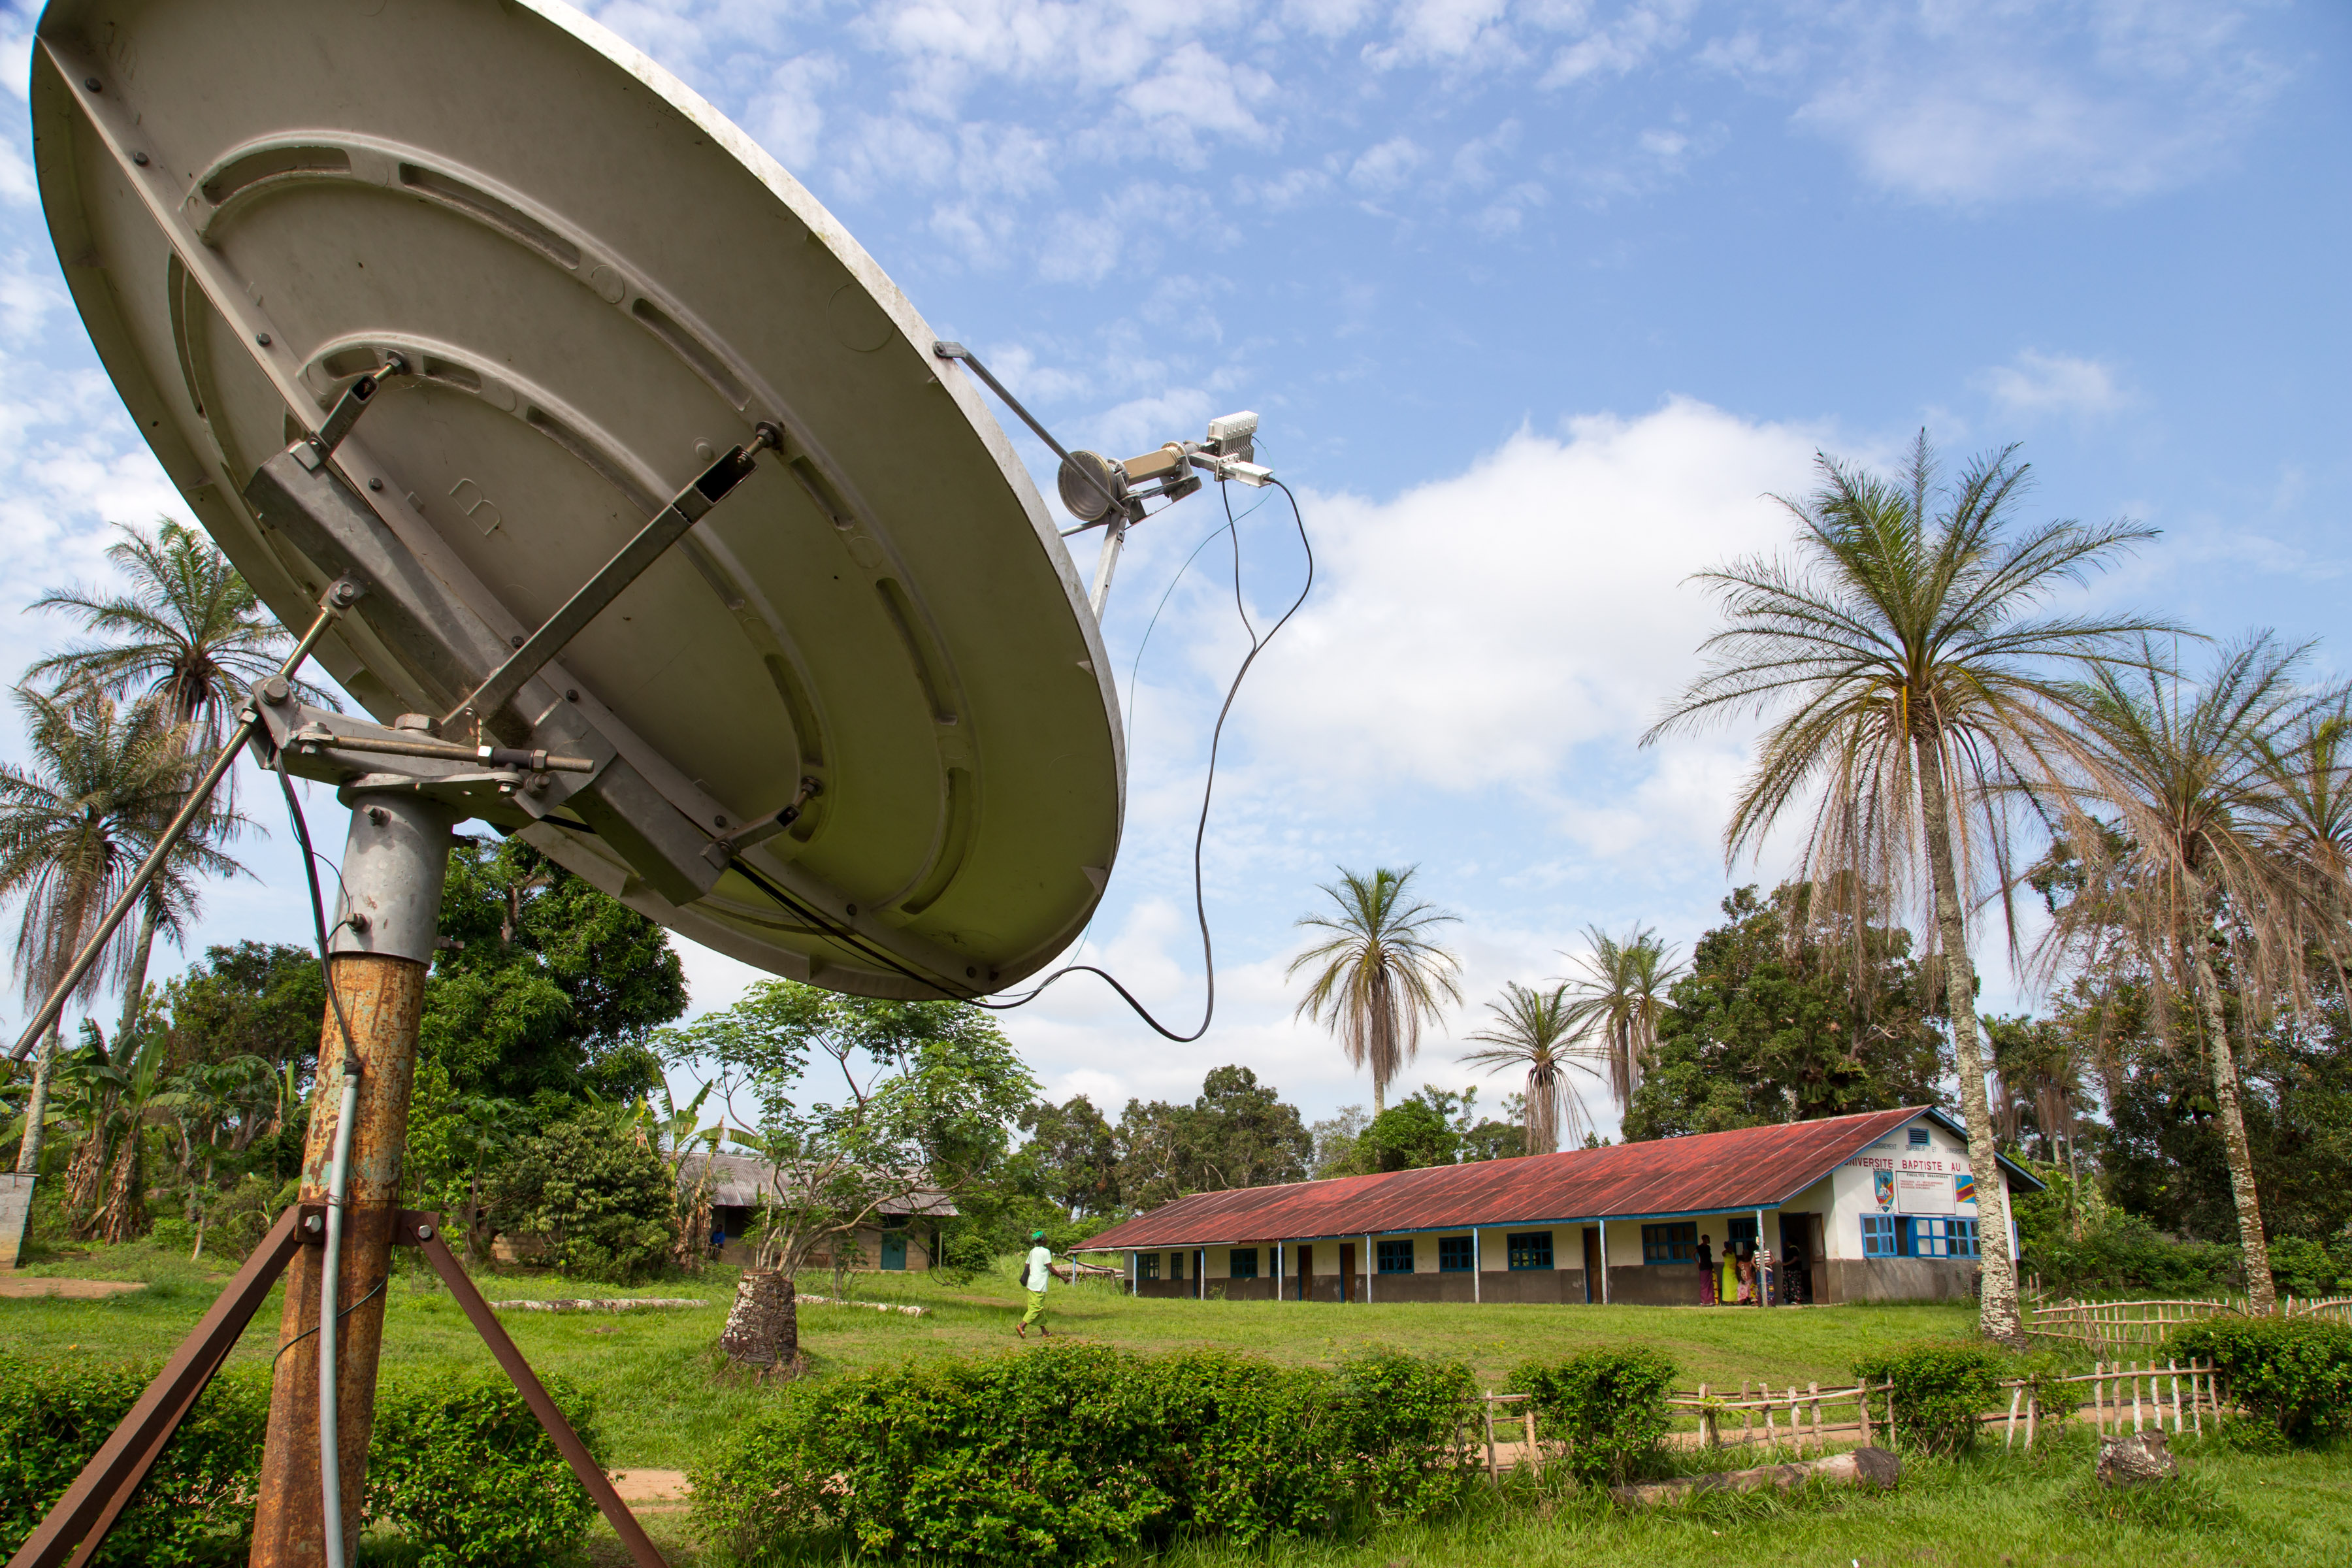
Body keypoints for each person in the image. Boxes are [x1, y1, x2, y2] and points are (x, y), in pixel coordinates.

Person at [1016, 1229, 1054, 1338]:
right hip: (1039, 1285)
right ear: (1043, 1240)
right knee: (1036, 1308)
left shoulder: (1033, 1251)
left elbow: (1027, 1264)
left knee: (1038, 1308)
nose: (1047, 1239)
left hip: (1031, 1284)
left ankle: (1044, 1332)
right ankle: (1022, 1326)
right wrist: (1064, 1278)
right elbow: (1050, 1268)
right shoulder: (1046, 1252)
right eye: (1046, 1237)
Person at [1695, 1232, 1716, 1305]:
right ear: (1704, 1239)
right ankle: (1703, 1301)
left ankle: (1711, 1301)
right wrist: (1698, 1263)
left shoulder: (1708, 1247)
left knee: (1710, 1284)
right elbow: (1692, 1255)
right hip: (1703, 1267)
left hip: (1709, 1266)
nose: (1709, 1240)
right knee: (1704, 1285)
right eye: (1708, 1239)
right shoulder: (1699, 1247)